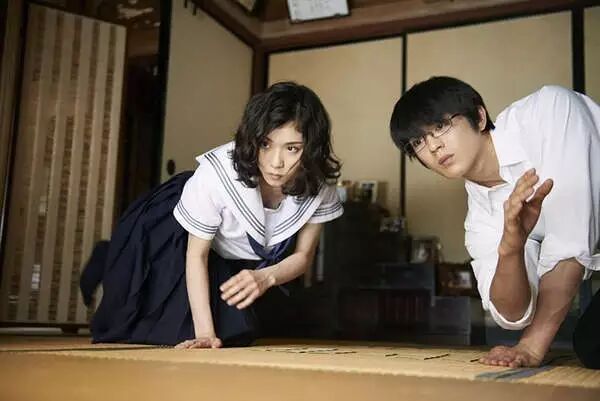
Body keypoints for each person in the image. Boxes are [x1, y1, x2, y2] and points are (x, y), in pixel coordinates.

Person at [81, 81, 343, 348]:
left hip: (226, 251)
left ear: (311, 148)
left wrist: (266, 277)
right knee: (147, 322)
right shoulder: (216, 174)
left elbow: (303, 256)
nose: (276, 163)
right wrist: (205, 334)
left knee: (236, 334)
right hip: (175, 234)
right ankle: (112, 254)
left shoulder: (319, 182)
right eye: (265, 144)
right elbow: (197, 255)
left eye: (292, 148)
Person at [389, 76, 600, 368]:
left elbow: (571, 244)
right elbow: (512, 314)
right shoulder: (479, 220)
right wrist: (510, 249)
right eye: (418, 142)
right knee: (593, 345)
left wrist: (531, 346)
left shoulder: (548, 111)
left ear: (479, 117)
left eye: (440, 126)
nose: (433, 146)